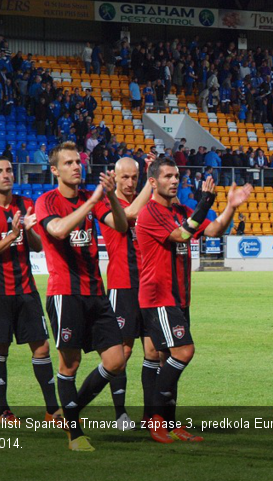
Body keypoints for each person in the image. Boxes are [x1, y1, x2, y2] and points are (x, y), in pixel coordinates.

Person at [137, 158, 252, 444]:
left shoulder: (180, 210)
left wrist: (230, 207)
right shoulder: (150, 212)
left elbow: (212, 231)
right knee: (183, 352)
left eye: (176, 176)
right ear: (153, 182)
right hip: (158, 297)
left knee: (168, 360)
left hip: (179, 297)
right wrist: (205, 201)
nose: (174, 180)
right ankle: (154, 418)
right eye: (167, 176)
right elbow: (181, 235)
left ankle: (171, 424)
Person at [35, 141, 129, 451]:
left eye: (78, 161)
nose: (76, 166)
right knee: (70, 365)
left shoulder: (92, 197)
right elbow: (59, 230)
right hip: (65, 293)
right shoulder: (46, 201)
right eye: (69, 163)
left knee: (116, 360)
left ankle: (69, 410)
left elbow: (121, 224)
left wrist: (111, 197)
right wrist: (91, 204)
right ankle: (75, 436)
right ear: (55, 170)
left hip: (96, 293)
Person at [0, 157, 62, 425]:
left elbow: (36, 247)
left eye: (9, 170)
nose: (6, 174)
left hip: (26, 289)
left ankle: (52, 410)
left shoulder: (26, 205)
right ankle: (4, 412)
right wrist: (11, 235)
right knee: (1, 347)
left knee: (42, 348)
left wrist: (29, 231)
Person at [98, 156, 156, 429]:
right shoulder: (109, 205)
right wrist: (151, 180)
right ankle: (120, 414)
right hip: (122, 286)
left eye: (135, 177)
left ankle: (150, 415)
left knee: (154, 351)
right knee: (122, 352)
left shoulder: (145, 204)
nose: (131, 182)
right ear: (115, 177)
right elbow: (129, 214)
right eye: (125, 177)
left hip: (149, 284)